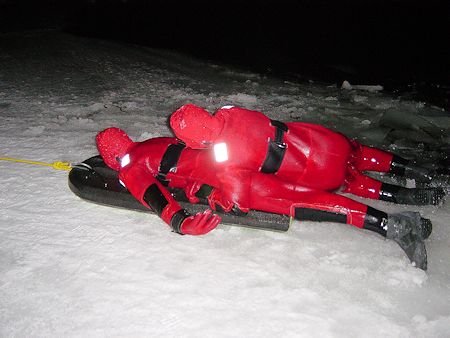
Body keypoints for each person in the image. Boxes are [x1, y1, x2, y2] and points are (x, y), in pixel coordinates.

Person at [96, 105, 446, 270]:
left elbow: (152, 194)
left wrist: (177, 220)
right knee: (339, 164)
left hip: (230, 178)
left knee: (301, 200)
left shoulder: (131, 165)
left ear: (113, 159)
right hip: (245, 161)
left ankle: (393, 224)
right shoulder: (155, 144)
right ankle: (404, 190)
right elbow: (165, 183)